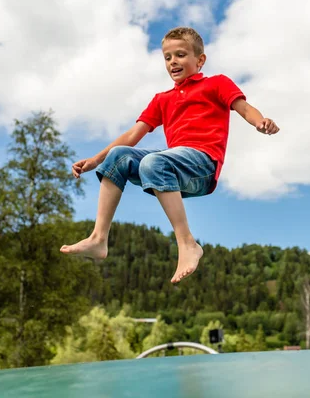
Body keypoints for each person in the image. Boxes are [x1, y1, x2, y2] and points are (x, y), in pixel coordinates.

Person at [60, 26, 280, 283]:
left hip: (201, 166)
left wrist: (260, 121)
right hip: (172, 168)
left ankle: (187, 244)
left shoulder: (217, 83)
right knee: (119, 155)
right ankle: (99, 238)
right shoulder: (162, 99)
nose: (173, 62)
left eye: (180, 55)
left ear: (200, 60)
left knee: (155, 161)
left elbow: (243, 108)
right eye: (167, 57)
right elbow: (132, 136)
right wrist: (96, 160)